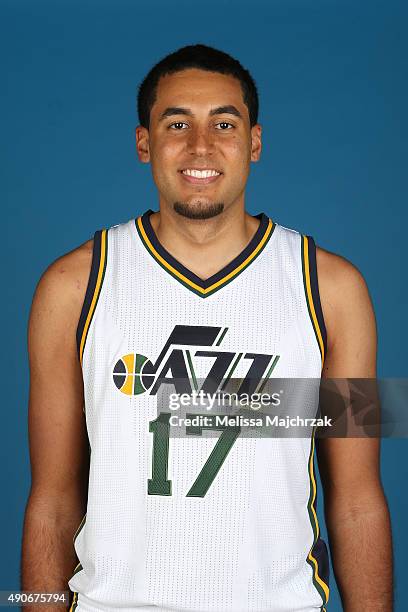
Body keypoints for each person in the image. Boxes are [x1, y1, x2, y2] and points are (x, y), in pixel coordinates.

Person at [21, 44, 392, 611]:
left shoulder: (333, 290)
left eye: (224, 122)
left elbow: (358, 498)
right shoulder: (73, 287)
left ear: (254, 142)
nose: (201, 145)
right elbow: (51, 498)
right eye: (177, 123)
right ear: (144, 143)